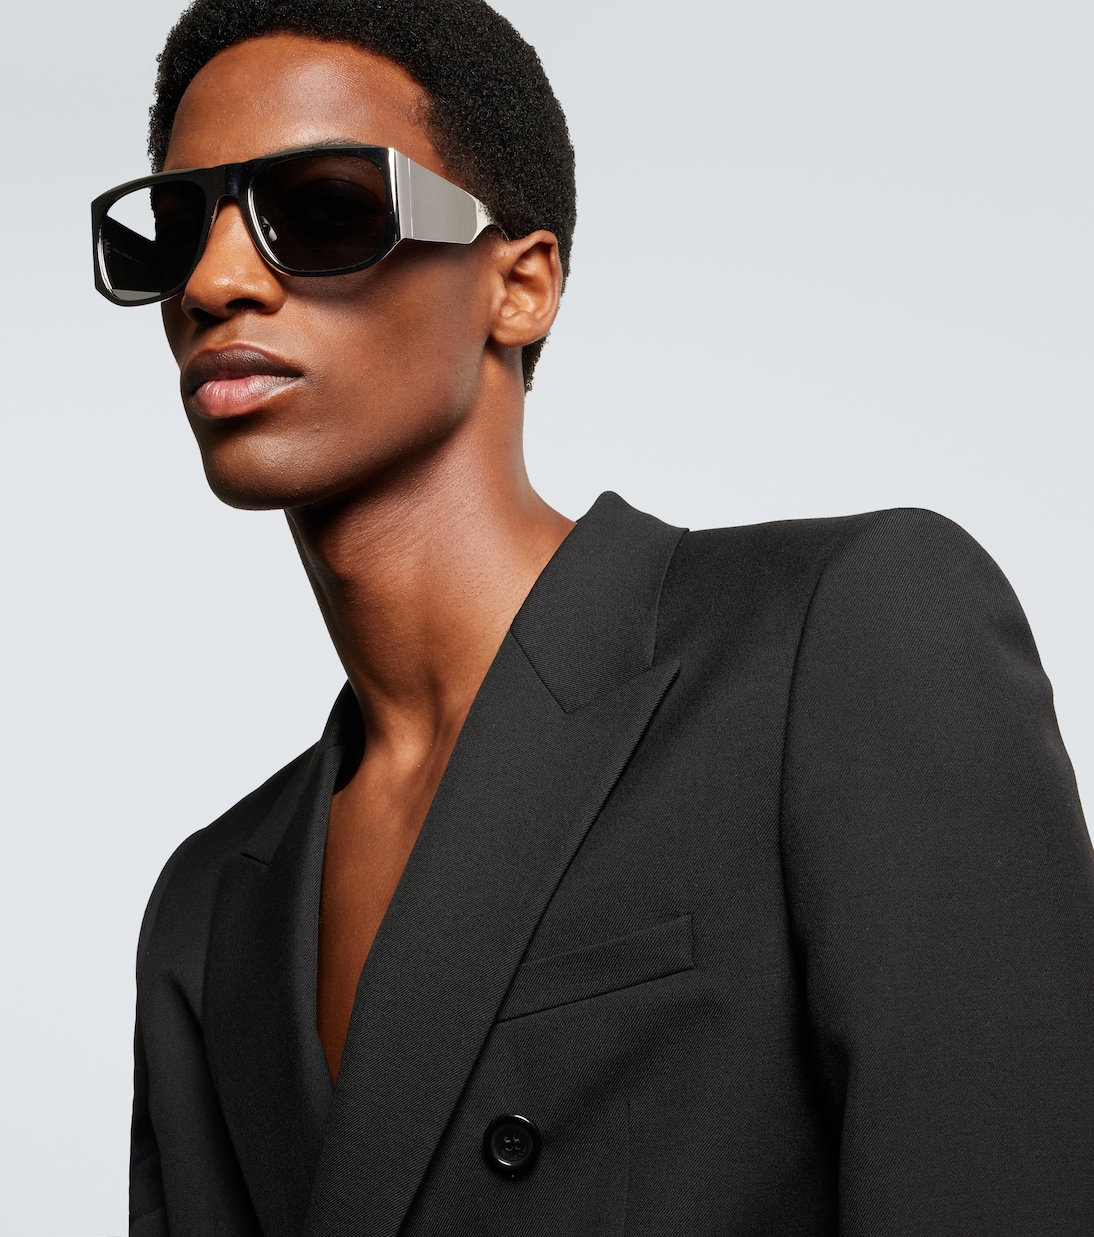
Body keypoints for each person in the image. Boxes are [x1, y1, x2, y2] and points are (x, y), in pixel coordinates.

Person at [91, 1, 1094, 1233]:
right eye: (174, 231)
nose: (213, 282)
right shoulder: (210, 908)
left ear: (518, 285)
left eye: (324, 210)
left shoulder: (838, 642)